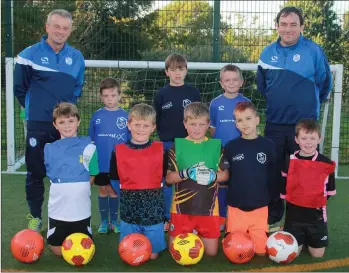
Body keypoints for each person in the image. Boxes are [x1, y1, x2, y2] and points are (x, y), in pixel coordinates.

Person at [256, 6, 332, 232]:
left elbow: (324, 83)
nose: (287, 29)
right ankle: (273, 217)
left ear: (302, 27)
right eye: (283, 24)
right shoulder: (267, 53)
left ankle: (300, 219)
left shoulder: (313, 51)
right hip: (275, 124)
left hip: (303, 126)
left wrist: (307, 105)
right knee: (273, 172)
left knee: (301, 174)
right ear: (277, 26)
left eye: (293, 24)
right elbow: (262, 86)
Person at [14, 9, 85, 232]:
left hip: (66, 127)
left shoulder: (77, 58)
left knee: (67, 171)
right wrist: (37, 111)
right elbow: (19, 89)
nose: (60, 31)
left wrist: (65, 118)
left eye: (65, 28)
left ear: (70, 31)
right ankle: (35, 217)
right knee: (35, 172)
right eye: (56, 26)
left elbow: (77, 89)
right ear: (47, 27)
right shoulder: (28, 54)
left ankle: (66, 219)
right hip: (38, 123)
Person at [166, 102, 229, 256]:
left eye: (201, 124)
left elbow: (225, 175)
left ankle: (196, 232)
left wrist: (212, 175)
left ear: (208, 124)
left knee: (211, 253)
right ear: (185, 124)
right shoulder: (177, 146)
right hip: (181, 210)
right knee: (175, 251)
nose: (197, 128)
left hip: (208, 210)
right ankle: (192, 231)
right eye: (192, 124)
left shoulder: (216, 146)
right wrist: (185, 173)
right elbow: (168, 178)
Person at [109, 103, 167, 260]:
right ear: (129, 125)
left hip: (153, 211)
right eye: (137, 124)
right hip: (129, 210)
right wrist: (129, 194)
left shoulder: (161, 149)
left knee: (153, 255)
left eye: (146, 125)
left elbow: (164, 177)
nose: (141, 129)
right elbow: (114, 180)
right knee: (129, 253)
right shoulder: (118, 150)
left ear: (153, 127)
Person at [154, 53, 201, 231]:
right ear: (167, 72)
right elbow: (157, 120)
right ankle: (166, 218)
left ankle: (190, 218)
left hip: (189, 143)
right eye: (173, 70)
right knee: (167, 181)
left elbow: (199, 117)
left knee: (189, 180)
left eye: (180, 69)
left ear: (186, 71)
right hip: (167, 144)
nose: (177, 73)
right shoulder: (161, 94)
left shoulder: (193, 92)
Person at [223, 102, 276, 256]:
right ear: (236, 124)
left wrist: (273, 201)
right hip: (236, 207)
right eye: (239, 120)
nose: (244, 123)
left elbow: (272, 176)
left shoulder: (268, 145)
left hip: (259, 206)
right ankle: (232, 233)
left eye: (248, 118)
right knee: (236, 252)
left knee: (260, 253)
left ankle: (260, 236)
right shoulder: (231, 146)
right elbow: (226, 176)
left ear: (257, 120)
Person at [44, 103, 98, 256]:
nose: (67, 126)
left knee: (85, 249)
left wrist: (80, 189)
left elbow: (93, 174)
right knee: (57, 251)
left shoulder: (89, 146)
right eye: (62, 122)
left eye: (71, 121)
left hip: (81, 210)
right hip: (58, 210)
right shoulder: (49, 148)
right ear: (55, 125)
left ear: (78, 121)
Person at [281, 119, 336, 258]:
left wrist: (312, 199)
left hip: (315, 219)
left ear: (319, 139)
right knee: (294, 253)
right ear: (296, 139)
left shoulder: (326, 163)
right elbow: (284, 187)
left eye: (312, 138)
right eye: (304, 138)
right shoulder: (290, 160)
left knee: (317, 255)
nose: (308, 142)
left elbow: (328, 191)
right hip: (294, 218)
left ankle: (310, 239)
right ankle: (296, 235)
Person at [209, 64, 250, 231]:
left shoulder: (246, 102)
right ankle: (221, 217)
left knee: (239, 182)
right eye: (227, 80)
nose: (231, 83)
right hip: (220, 151)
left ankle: (239, 218)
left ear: (241, 82)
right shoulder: (215, 103)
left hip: (241, 151)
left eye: (235, 80)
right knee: (221, 183)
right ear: (221, 83)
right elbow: (212, 127)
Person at [89, 78, 130, 234]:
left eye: (113, 95)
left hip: (117, 164)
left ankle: (114, 221)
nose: (110, 99)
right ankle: (104, 222)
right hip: (100, 162)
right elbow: (91, 140)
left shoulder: (126, 116)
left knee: (114, 192)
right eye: (106, 96)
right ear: (101, 97)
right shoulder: (96, 115)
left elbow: (129, 142)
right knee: (103, 191)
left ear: (119, 95)